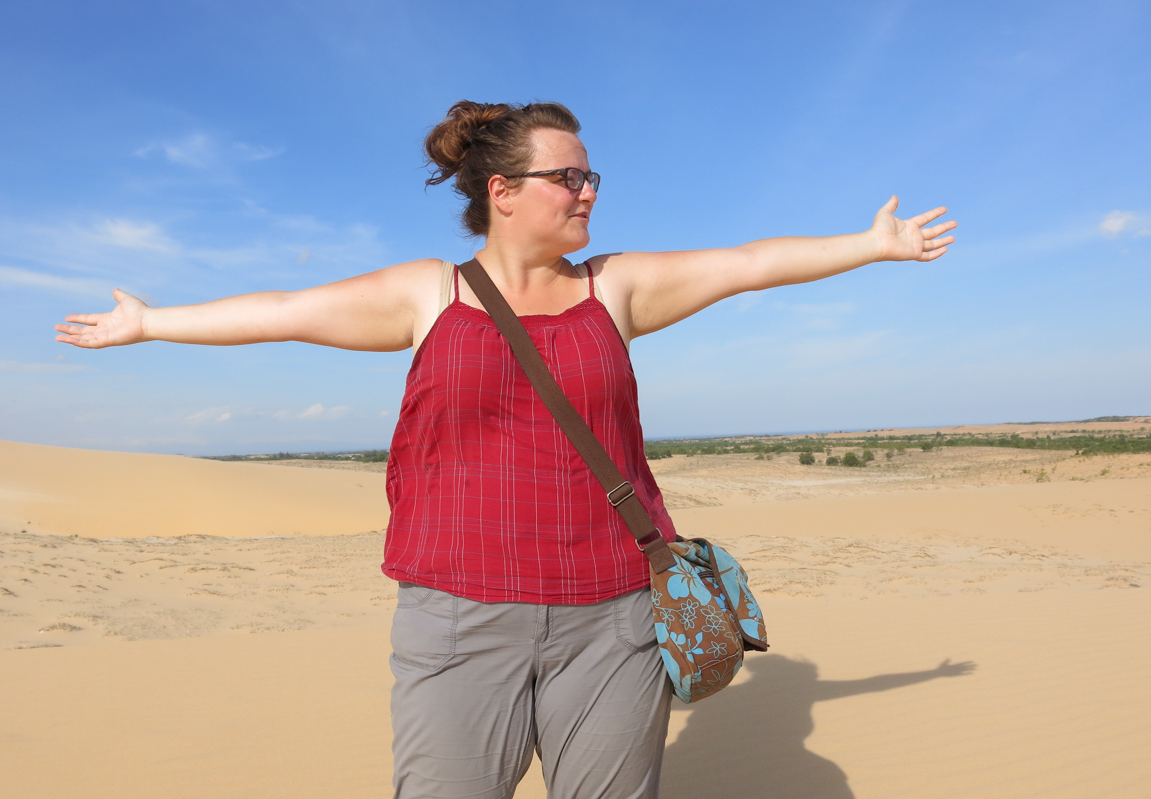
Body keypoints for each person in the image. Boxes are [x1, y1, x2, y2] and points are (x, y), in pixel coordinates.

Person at [56, 100, 956, 799]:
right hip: (457, 615)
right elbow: (282, 311)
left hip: (615, 616)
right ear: (504, 191)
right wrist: (151, 324)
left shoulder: (619, 289)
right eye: (569, 176)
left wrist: (870, 246)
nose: (589, 190)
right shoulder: (428, 295)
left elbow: (748, 261)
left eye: (592, 173)